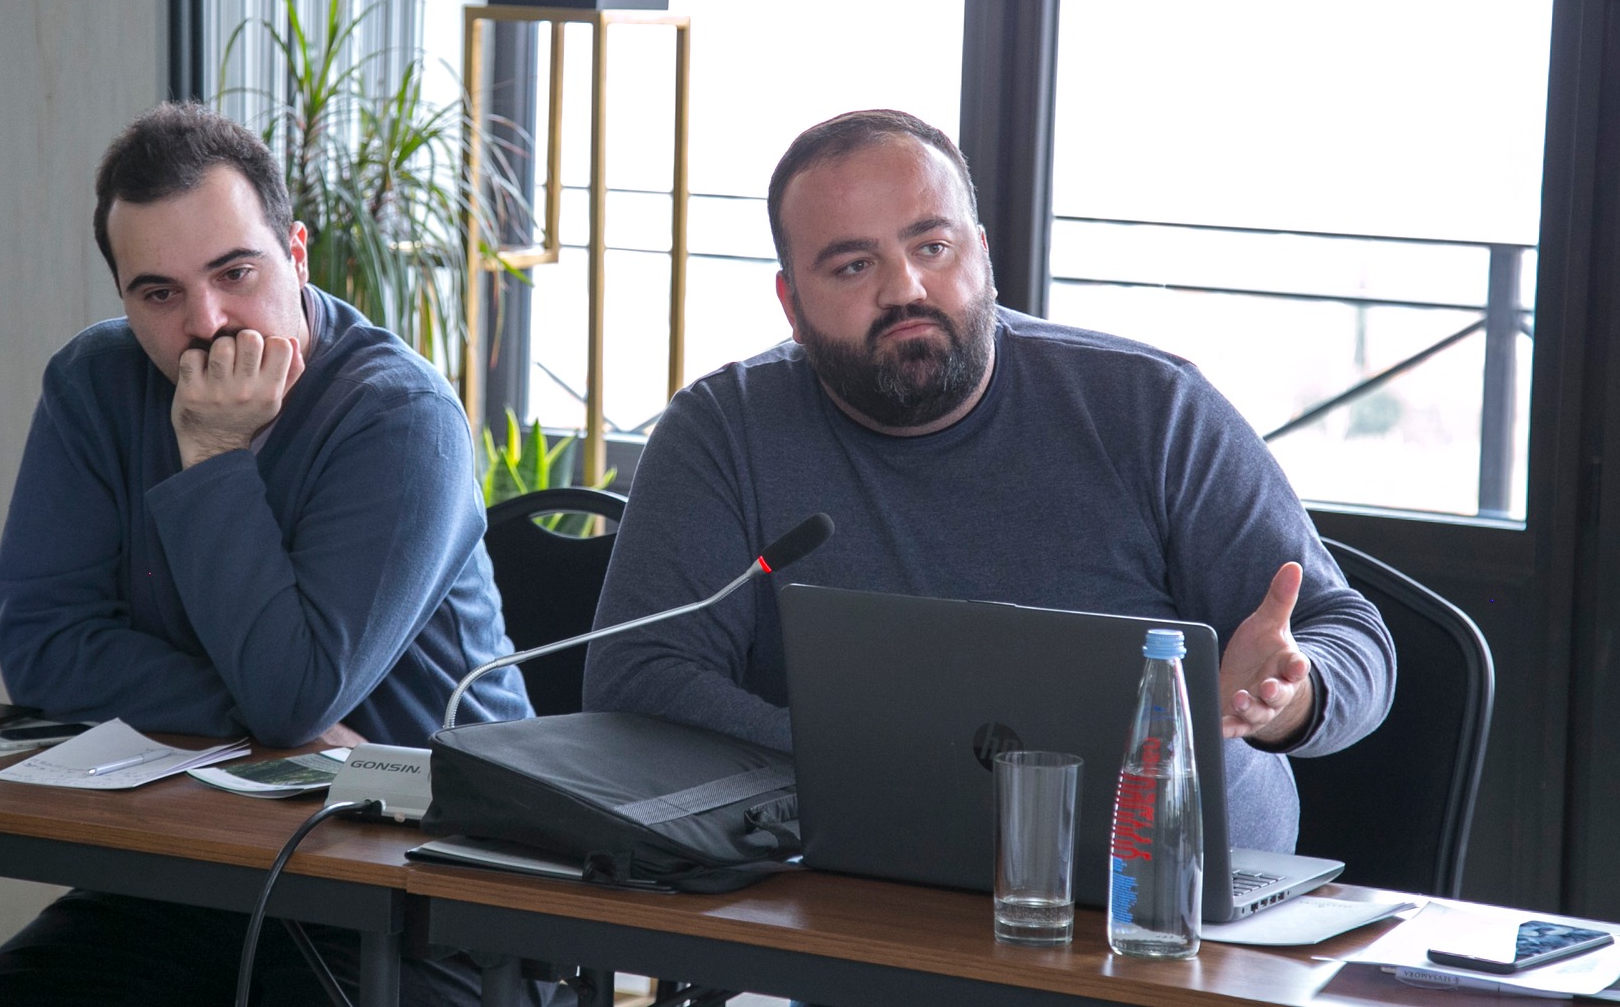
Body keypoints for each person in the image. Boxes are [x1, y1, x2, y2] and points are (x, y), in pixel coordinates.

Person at [582, 109, 1396, 854]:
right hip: (861, 886)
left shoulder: (1151, 407)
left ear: (983, 253)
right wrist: (897, 772)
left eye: (932, 248)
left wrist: (1289, 697)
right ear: (791, 305)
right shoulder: (724, 429)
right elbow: (638, 677)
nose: (904, 288)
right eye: (854, 265)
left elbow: (1350, 633)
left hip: (1163, 897)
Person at [0, 104, 532, 1006]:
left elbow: (292, 690)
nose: (207, 321)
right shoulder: (93, 384)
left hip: (426, 903)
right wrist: (261, 731)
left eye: (235, 272)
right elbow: (44, 651)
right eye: (159, 293)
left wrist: (214, 452)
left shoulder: (399, 418)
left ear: (296, 254)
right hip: (183, 877)